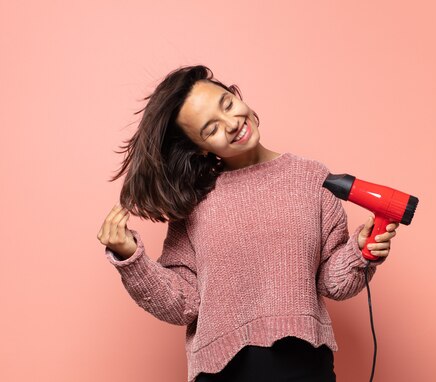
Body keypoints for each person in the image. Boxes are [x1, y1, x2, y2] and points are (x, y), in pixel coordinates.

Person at [96, 65, 399, 382]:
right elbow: (183, 305)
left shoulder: (312, 179)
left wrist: (359, 252)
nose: (231, 124)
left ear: (235, 94)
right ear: (200, 147)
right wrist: (130, 258)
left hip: (305, 368)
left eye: (227, 104)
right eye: (210, 129)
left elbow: (332, 284)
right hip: (223, 373)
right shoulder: (197, 201)